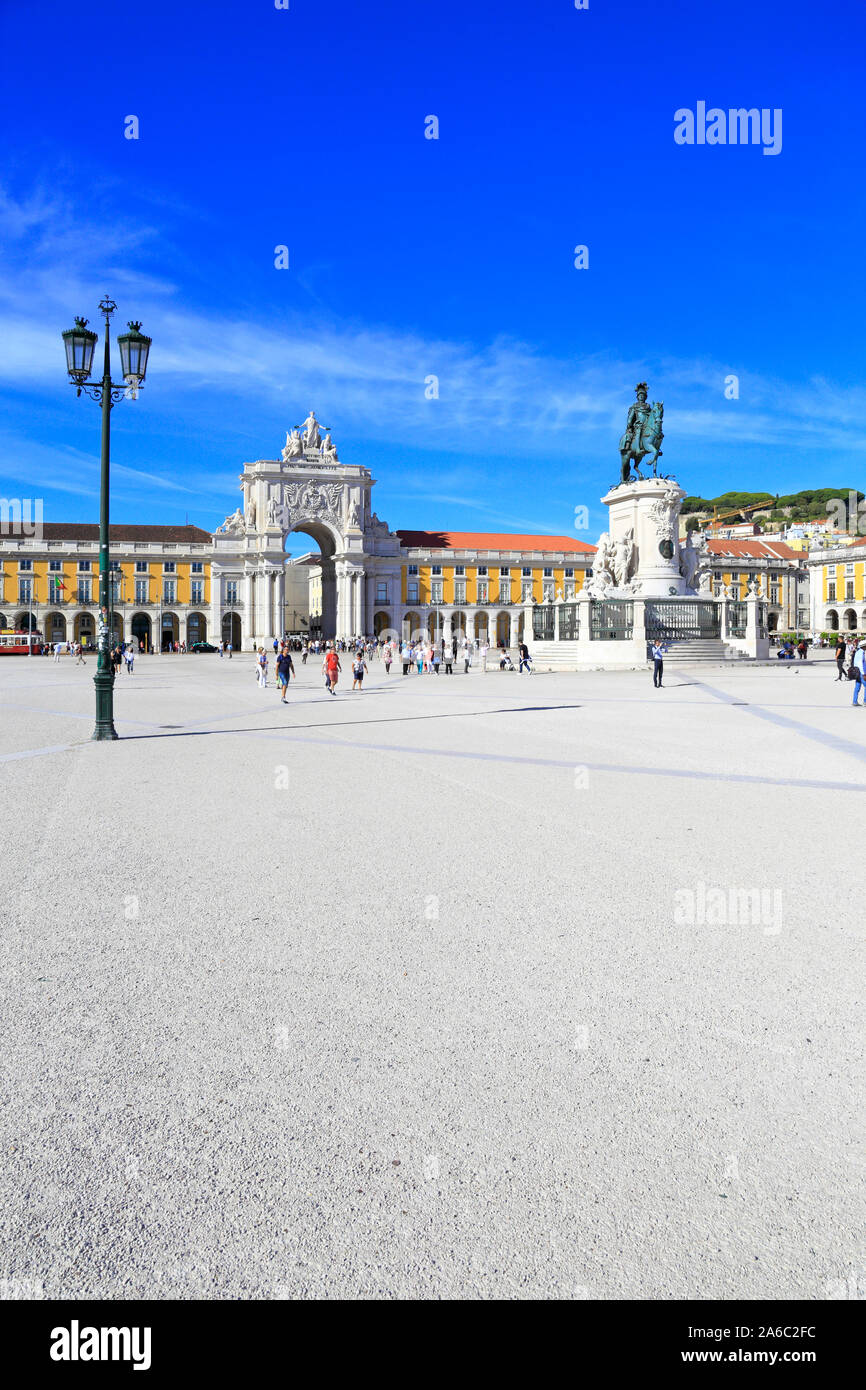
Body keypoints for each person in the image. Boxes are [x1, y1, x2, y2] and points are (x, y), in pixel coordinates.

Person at [852, 640, 866, 706]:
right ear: (864, 646)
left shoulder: (858, 652)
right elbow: (860, 664)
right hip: (861, 672)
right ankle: (865, 701)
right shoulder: (861, 653)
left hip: (857, 671)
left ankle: (854, 701)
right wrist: (863, 674)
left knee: (857, 687)